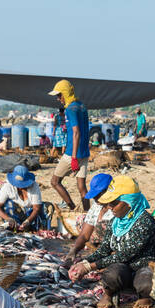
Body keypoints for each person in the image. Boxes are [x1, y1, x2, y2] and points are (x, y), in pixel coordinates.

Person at [67, 176, 155, 308]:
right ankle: (108, 294)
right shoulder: (115, 222)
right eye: (109, 203)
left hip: (143, 267)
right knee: (111, 274)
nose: (110, 207)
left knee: (146, 281)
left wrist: (89, 267)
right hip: (123, 268)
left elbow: (124, 254)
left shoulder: (145, 222)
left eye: (114, 203)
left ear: (129, 202)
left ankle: (145, 296)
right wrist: (83, 263)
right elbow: (104, 249)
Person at [48, 80, 90, 211]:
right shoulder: (82, 106)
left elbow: (76, 132)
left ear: (65, 93)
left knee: (55, 182)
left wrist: (73, 157)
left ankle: (72, 207)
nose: (58, 98)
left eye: (59, 95)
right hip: (84, 152)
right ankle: (88, 214)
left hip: (73, 152)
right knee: (82, 187)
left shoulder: (70, 109)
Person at [64, 174, 114, 264]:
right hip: (100, 241)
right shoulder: (97, 205)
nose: (94, 198)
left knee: (101, 225)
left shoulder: (118, 207)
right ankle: (98, 249)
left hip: (115, 244)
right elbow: (84, 235)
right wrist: (74, 250)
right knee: (81, 219)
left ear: (107, 190)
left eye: (98, 195)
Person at [0, 165, 53, 233]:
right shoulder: (8, 186)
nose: (20, 187)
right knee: (7, 204)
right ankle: (14, 226)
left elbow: (36, 208)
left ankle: (34, 228)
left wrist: (28, 221)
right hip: (15, 213)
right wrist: (8, 219)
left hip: (30, 214)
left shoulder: (34, 186)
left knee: (47, 207)